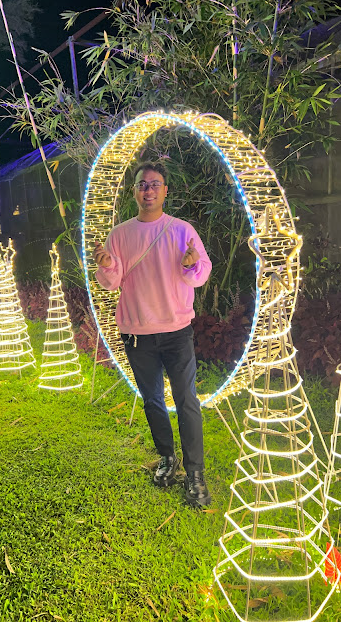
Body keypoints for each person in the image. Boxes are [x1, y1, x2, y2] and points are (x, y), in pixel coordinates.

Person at [93, 162, 212, 506]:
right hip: (137, 333)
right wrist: (107, 265)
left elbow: (200, 273)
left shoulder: (181, 230)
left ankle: (195, 473)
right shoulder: (120, 234)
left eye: (155, 184)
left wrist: (191, 263)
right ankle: (167, 457)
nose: (148, 190)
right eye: (142, 184)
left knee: (186, 400)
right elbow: (111, 283)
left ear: (165, 191)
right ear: (134, 191)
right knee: (153, 400)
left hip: (176, 331)